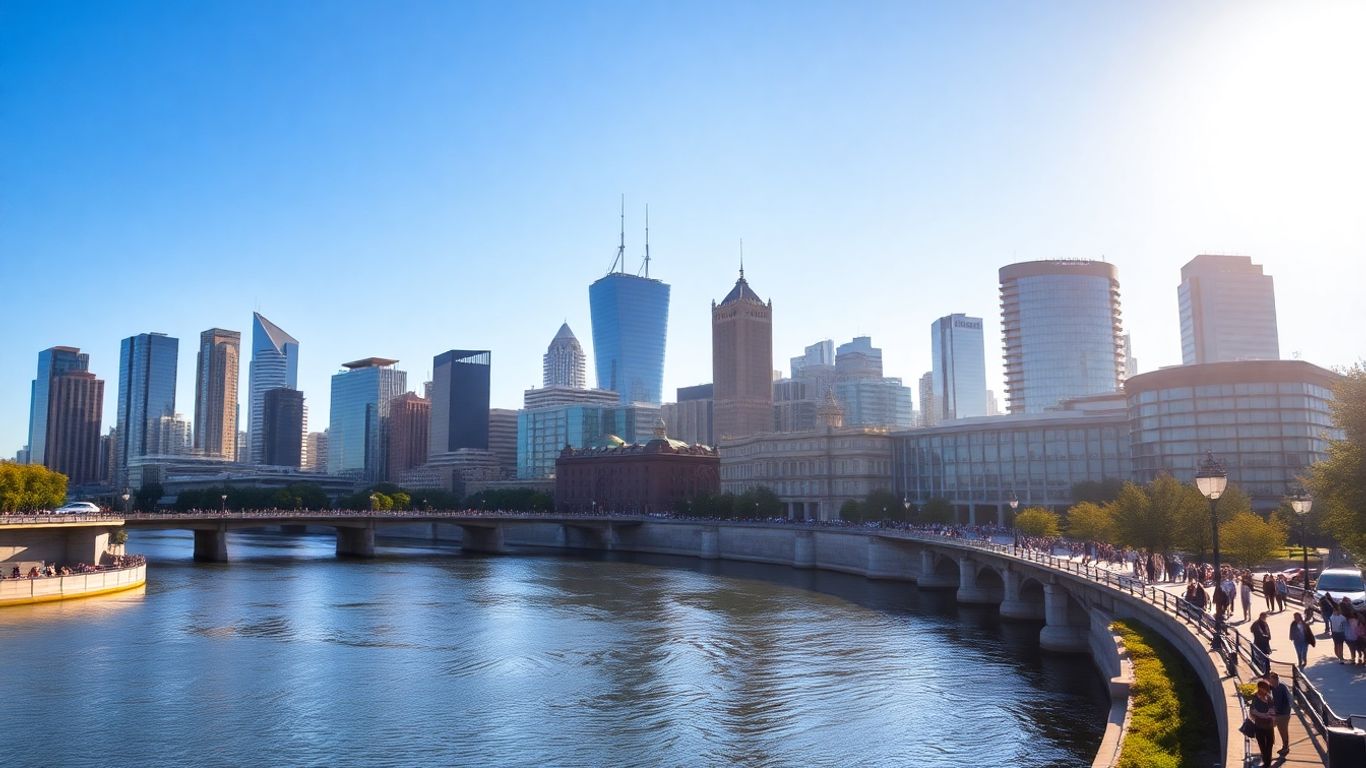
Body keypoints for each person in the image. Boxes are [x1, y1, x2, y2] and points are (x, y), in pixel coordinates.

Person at [1248, 679, 1277, 767]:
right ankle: (1266, 761)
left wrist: (1272, 718)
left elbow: (1272, 710)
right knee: (1262, 743)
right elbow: (1252, 711)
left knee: (1270, 742)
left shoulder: (1269, 698)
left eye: (1267, 688)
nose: (1267, 690)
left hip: (1268, 725)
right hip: (1259, 725)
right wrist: (1264, 715)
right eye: (1265, 688)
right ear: (1260, 688)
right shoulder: (1255, 698)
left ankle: (1267, 761)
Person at [1267, 672, 1293, 758]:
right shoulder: (1275, 686)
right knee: (1273, 727)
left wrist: (1274, 713)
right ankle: (1281, 746)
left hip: (1283, 714)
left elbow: (1280, 703)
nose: (1269, 681)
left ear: (1275, 680)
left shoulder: (1280, 689)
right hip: (1280, 713)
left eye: (1271, 680)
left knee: (1283, 731)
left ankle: (1285, 748)